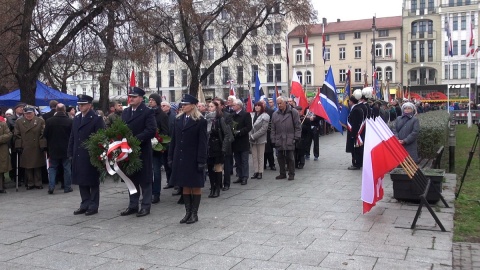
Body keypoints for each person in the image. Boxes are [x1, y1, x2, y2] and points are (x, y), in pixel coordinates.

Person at [168, 94, 208, 224]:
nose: (183, 106)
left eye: (185, 104)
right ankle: (187, 212)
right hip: (180, 158)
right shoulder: (178, 120)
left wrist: (201, 160)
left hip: (193, 158)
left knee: (195, 186)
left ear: (192, 106)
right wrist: (170, 156)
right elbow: (174, 140)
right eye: (182, 104)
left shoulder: (200, 121)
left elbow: (203, 143)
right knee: (185, 185)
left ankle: (194, 214)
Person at [120, 87, 157, 217]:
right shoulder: (125, 112)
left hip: (141, 150)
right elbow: (120, 128)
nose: (131, 99)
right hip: (128, 152)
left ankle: (146, 206)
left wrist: (134, 140)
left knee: (144, 180)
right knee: (131, 179)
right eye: (130, 96)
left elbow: (151, 130)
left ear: (141, 98)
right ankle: (133, 205)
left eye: (134, 97)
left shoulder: (147, 112)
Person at [68, 95, 105, 216]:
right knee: (81, 180)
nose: (80, 106)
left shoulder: (96, 119)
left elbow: (101, 137)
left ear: (90, 105)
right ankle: (84, 204)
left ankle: (93, 205)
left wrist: (98, 154)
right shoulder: (77, 118)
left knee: (92, 181)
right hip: (78, 153)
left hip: (90, 154)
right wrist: (70, 152)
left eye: (83, 104)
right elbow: (72, 136)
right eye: (79, 104)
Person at [14, 105, 47, 189]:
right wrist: (18, 145)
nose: (28, 115)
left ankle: (38, 183)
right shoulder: (19, 122)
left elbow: (43, 134)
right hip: (25, 146)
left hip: (36, 146)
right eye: (26, 113)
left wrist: (43, 145)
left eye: (30, 113)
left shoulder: (40, 121)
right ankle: (30, 183)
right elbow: (17, 134)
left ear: (33, 113)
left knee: (37, 165)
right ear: (24, 114)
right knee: (28, 166)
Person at [205, 101, 233, 198]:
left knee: (217, 168)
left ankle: (217, 188)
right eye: (209, 106)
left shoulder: (219, 119)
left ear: (216, 108)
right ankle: (212, 187)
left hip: (217, 147)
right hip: (208, 147)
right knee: (209, 168)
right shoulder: (206, 119)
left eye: (212, 106)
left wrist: (223, 148)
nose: (210, 108)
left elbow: (227, 134)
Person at [44, 103, 73, 194]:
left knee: (52, 168)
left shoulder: (49, 121)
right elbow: (73, 135)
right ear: (64, 110)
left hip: (53, 148)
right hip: (66, 148)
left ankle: (51, 186)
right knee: (67, 168)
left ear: (56, 110)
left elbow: (45, 135)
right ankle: (67, 187)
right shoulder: (69, 121)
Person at [271, 97, 301, 180]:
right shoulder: (275, 114)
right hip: (279, 138)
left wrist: (297, 137)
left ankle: (291, 174)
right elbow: (273, 128)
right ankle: (282, 173)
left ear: (285, 103)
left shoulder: (293, 112)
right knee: (279, 157)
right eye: (278, 103)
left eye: (280, 103)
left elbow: (298, 126)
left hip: (290, 138)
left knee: (290, 157)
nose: (279, 105)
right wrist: (273, 139)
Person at [148, 93, 169, 204]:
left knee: (156, 171)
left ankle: (156, 194)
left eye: (152, 100)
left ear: (157, 101)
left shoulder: (162, 115)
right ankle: (148, 193)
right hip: (147, 147)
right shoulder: (147, 113)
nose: (150, 101)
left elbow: (165, 132)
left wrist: (158, 141)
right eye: (149, 99)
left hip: (156, 147)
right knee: (148, 172)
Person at [231, 99, 252, 185]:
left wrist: (239, 132)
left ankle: (245, 177)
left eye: (234, 105)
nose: (232, 107)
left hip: (243, 141)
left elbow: (248, 127)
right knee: (237, 160)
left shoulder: (246, 114)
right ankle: (239, 175)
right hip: (235, 141)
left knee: (244, 160)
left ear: (239, 106)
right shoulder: (232, 115)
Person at [249, 101, 270, 179]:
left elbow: (264, 129)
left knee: (260, 156)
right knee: (254, 156)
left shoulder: (265, 116)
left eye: (258, 106)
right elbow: (250, 127)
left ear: (262, 107)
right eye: (255, 106)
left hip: (260, 139)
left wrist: (254, 136)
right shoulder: (252, 115)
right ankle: (256, 171)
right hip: (252, 139)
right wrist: (250, 136)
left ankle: (260, 172)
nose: (257, 107)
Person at [345, 91, 365, 170]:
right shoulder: (357, 108)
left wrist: (353, 134)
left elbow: (356, 123)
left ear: (351, 102)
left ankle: (356, 163)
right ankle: (357, 162)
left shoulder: (356, 110)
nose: (348, 102)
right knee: (357, 149)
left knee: (355, 149)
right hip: (356, 132)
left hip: (355, 133)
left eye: (349, 101)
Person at [0, 117, 12, 193]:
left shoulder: (3, 124)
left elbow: (9, 134)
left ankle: (1, 187)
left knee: (1, 169)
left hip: (2, 149)